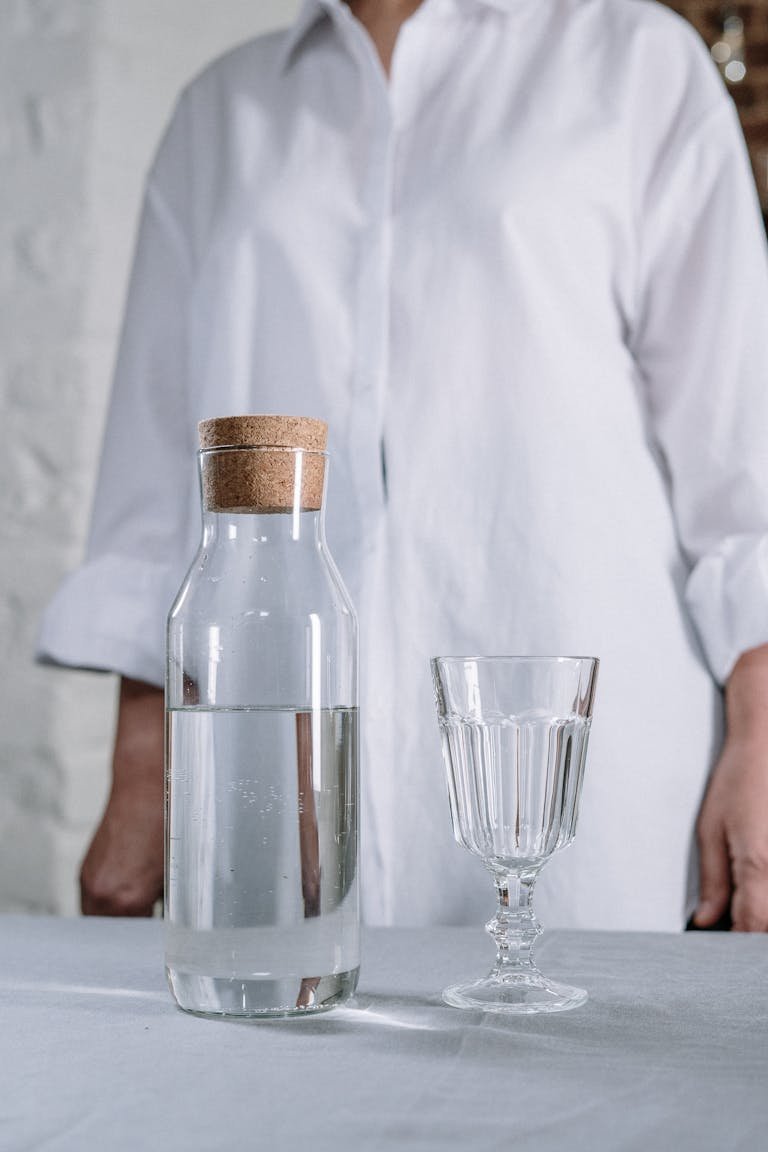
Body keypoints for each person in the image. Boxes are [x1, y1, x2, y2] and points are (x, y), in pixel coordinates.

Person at [39, 0, 768, 931]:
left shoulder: (636, 63)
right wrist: (143, 766)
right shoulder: (220, 112)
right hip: (275, 780)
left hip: (585, 773)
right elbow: (152, 482)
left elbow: (744, 463)